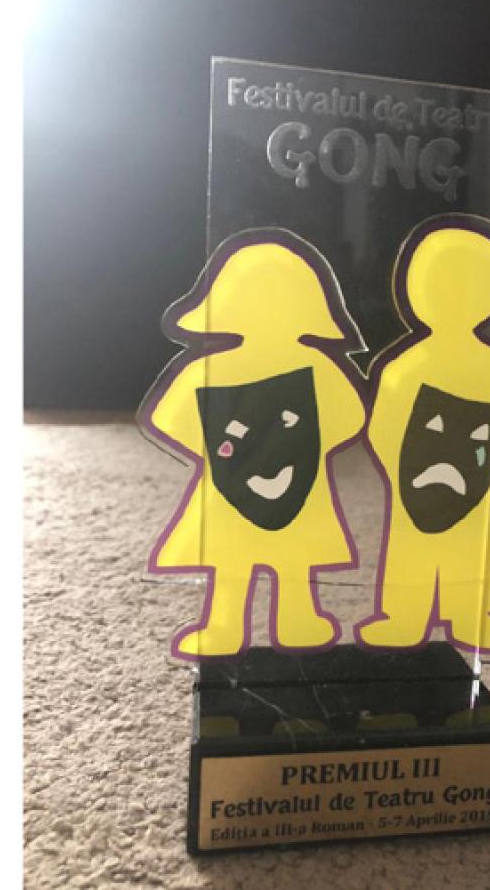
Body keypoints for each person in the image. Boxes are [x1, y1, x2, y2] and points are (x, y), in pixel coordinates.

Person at [141, 230, 365, 660]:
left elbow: (351, 417)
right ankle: (228, 625)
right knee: (233, 560)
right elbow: (168, 418)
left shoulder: (313, 368)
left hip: (288, 487)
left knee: (285, 558)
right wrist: (224, 449)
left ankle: (294, 620)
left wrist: (296, 446)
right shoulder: (211, 370)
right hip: (238, 489)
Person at [356, 215, 490, 656]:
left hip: (480, 482)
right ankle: (403, 615)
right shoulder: (405, 364)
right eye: (438, 282)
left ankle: (473, 614)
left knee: (476, 546)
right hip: (415, 479)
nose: (452, 296)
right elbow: (383, 422)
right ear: (411, 288)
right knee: (410, 545)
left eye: (469, 284)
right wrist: (397, 465)